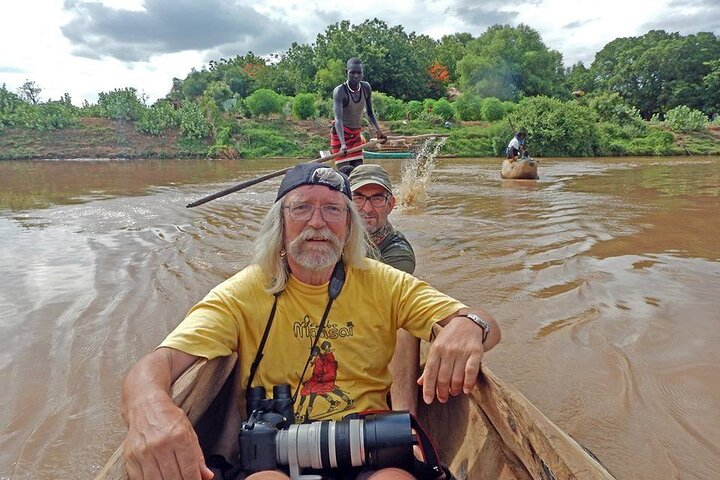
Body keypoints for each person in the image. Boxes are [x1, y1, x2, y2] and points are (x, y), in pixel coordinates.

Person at [121, 163, 500, 480]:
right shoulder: (244, 291)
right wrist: (149, 406)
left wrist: (470, 325)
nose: (317, 222)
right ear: (280, 224)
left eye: (333, 210)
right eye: (301, 208)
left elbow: (487, 325)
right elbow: (157, 363)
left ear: (348, 226)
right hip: (276, 456)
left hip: (367, 445)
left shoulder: (385, 282)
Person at [348, 165, 420, 415]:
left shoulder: (398, 252)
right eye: (358, 198)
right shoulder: (330, 234)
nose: (367, 208)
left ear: (391, 204)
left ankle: (405, 418)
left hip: (371, 328)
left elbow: (371, 297)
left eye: (377, 198)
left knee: (402, 319)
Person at [331, 58, 386, 173]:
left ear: (362, 73)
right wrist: (343, 144)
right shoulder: (340, 91)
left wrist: (378, 131)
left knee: (358, 175)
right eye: (352, 72)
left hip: (355, 136)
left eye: (359, 72)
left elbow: (370, 112)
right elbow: (338, 119)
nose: (356, 76)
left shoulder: (366, 88)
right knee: (345, 174)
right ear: (346, 72)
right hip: (341, 136)